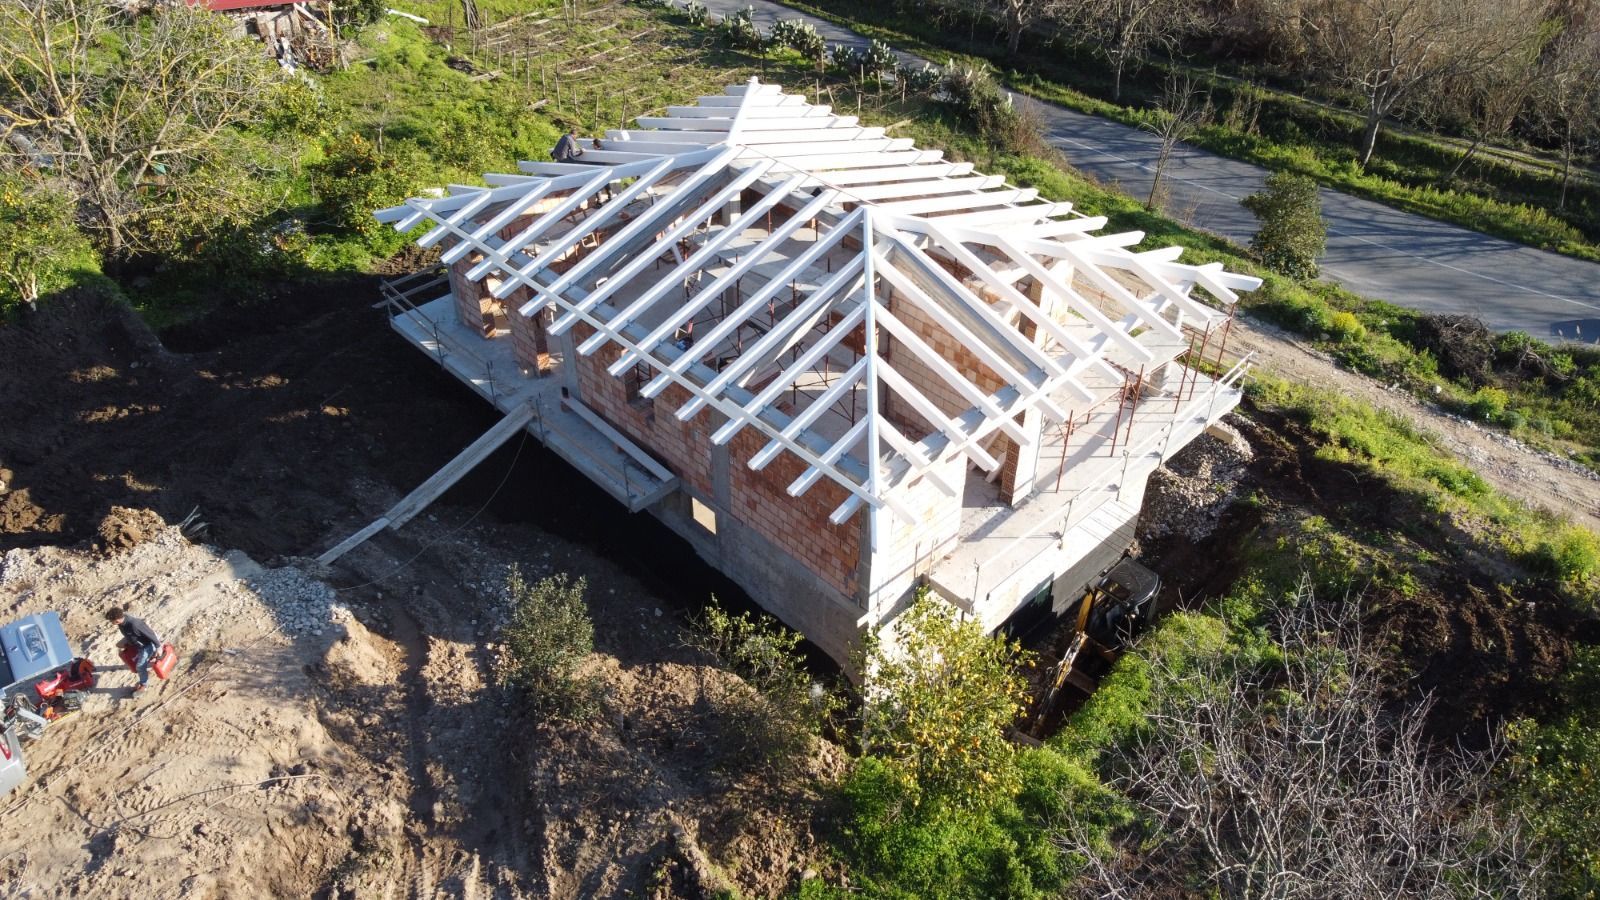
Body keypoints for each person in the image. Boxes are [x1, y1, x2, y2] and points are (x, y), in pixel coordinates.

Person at [106, 607, 162, 692]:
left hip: (147, 644)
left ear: (117, 620)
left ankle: (144, 684)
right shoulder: (121, 622)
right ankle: (145, 664)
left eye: (111, 621)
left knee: (139, 666)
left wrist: (158, 647)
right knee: (119, 645)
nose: (111, 622)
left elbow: (150, 633)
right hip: (135, 640)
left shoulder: (134, 624)